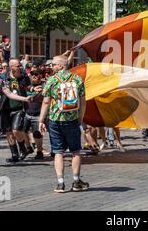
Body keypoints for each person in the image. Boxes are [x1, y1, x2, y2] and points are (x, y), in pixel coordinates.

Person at [39, 55, 89, 193]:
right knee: (76, 151)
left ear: (61, 66)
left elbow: (46, 101)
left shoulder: (52, 80)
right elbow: (83, 101)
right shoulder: (77, 79)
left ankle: (60, 183)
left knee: (58, 152)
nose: (52, 66)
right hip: (72, 119)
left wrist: (41, 120)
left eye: (54, 64)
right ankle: (76, 181)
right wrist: (80, 117)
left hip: (55, 119)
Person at [1, 59, 32, 163]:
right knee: (9, 132)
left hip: (19, 107)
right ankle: (14, 154)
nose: (20, 67)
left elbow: (28, 87)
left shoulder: (23, 77)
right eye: (18, 66)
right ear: (11, 67)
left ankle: (23, 149)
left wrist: (33, 90)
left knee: (16, 130)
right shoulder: (4, 77)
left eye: (20, 66)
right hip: (5, 108)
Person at [24, 70, 45, 160]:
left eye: (36, 76)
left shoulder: (43, 86)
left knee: (37, 134)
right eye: (32, 76)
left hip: (38, 114)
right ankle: (28, 148)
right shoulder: (28, 86)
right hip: (27, 112)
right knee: (23, 131)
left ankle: (39, 151)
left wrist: (33, 96)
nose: (34, 78)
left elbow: (41, 96)